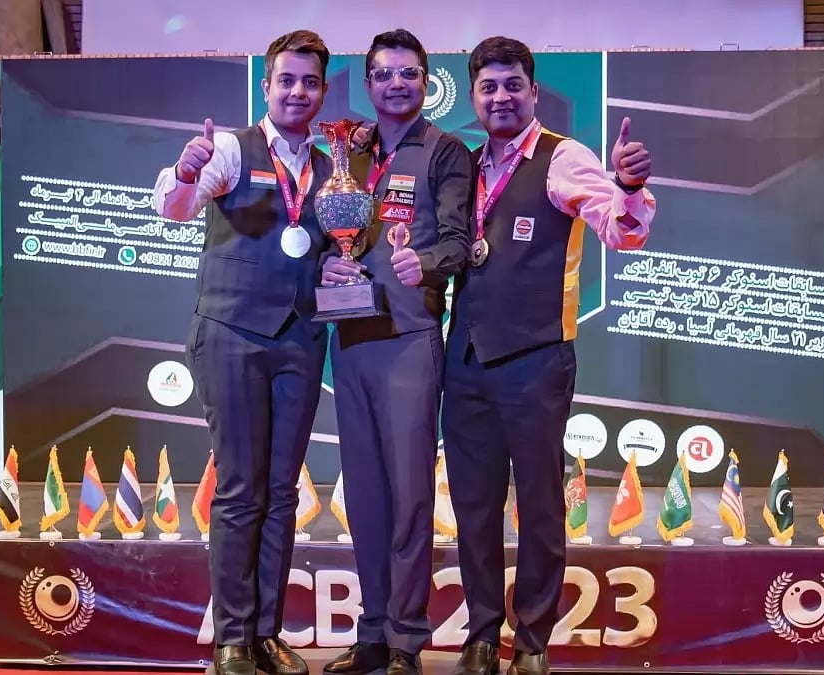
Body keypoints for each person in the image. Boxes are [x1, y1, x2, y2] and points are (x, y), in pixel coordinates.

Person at [441, 36, 656, 675]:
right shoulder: (466, 166)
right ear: (474, 97)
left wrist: (629, 187)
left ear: (534, 92)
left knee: (538, 505)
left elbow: (621, 231)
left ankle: (532, 641)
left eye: (514, 85)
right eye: (488, 87)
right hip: (466, 359)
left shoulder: (563, 158)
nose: (501, 97)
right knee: (473, 506)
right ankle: (482, 635)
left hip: (536, 358)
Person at [151, 30, 333, 675]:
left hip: (301, 339)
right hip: (231, 333)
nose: (297, 91)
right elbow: (175, 209)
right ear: (266, 86)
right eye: (287, 80)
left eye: (310, 82)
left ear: (322, 91)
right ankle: (231, 637)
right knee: (238, 489)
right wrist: (184, 171)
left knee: (281, 493)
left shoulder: (331, 167)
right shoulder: (230, 149)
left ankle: (265, 633)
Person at [318, 28, 473, 675]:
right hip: (351, 339)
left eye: (408, 73)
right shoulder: (349, 152)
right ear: (369, 83)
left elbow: (461, 239)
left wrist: (424, 263)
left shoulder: (445, 151)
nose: (396, 84)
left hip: (409, 339)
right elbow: (330, 232)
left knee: (410, 497)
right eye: (383, 74)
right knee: (366, 499)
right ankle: (373, 633)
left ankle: (407, 639)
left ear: (426, 81)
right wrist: (328, 266)